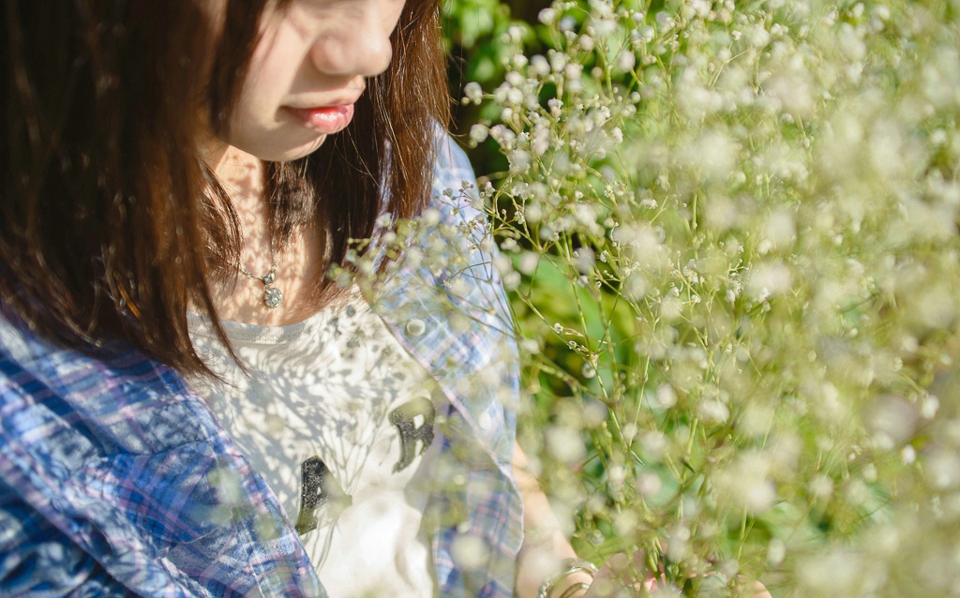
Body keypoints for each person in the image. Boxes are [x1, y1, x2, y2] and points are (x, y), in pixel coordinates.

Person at [0, 0, 599, 596]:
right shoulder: (28, 391)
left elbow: (472, 419)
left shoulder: (405, 161)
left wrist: (557, 570)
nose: (372, 49)